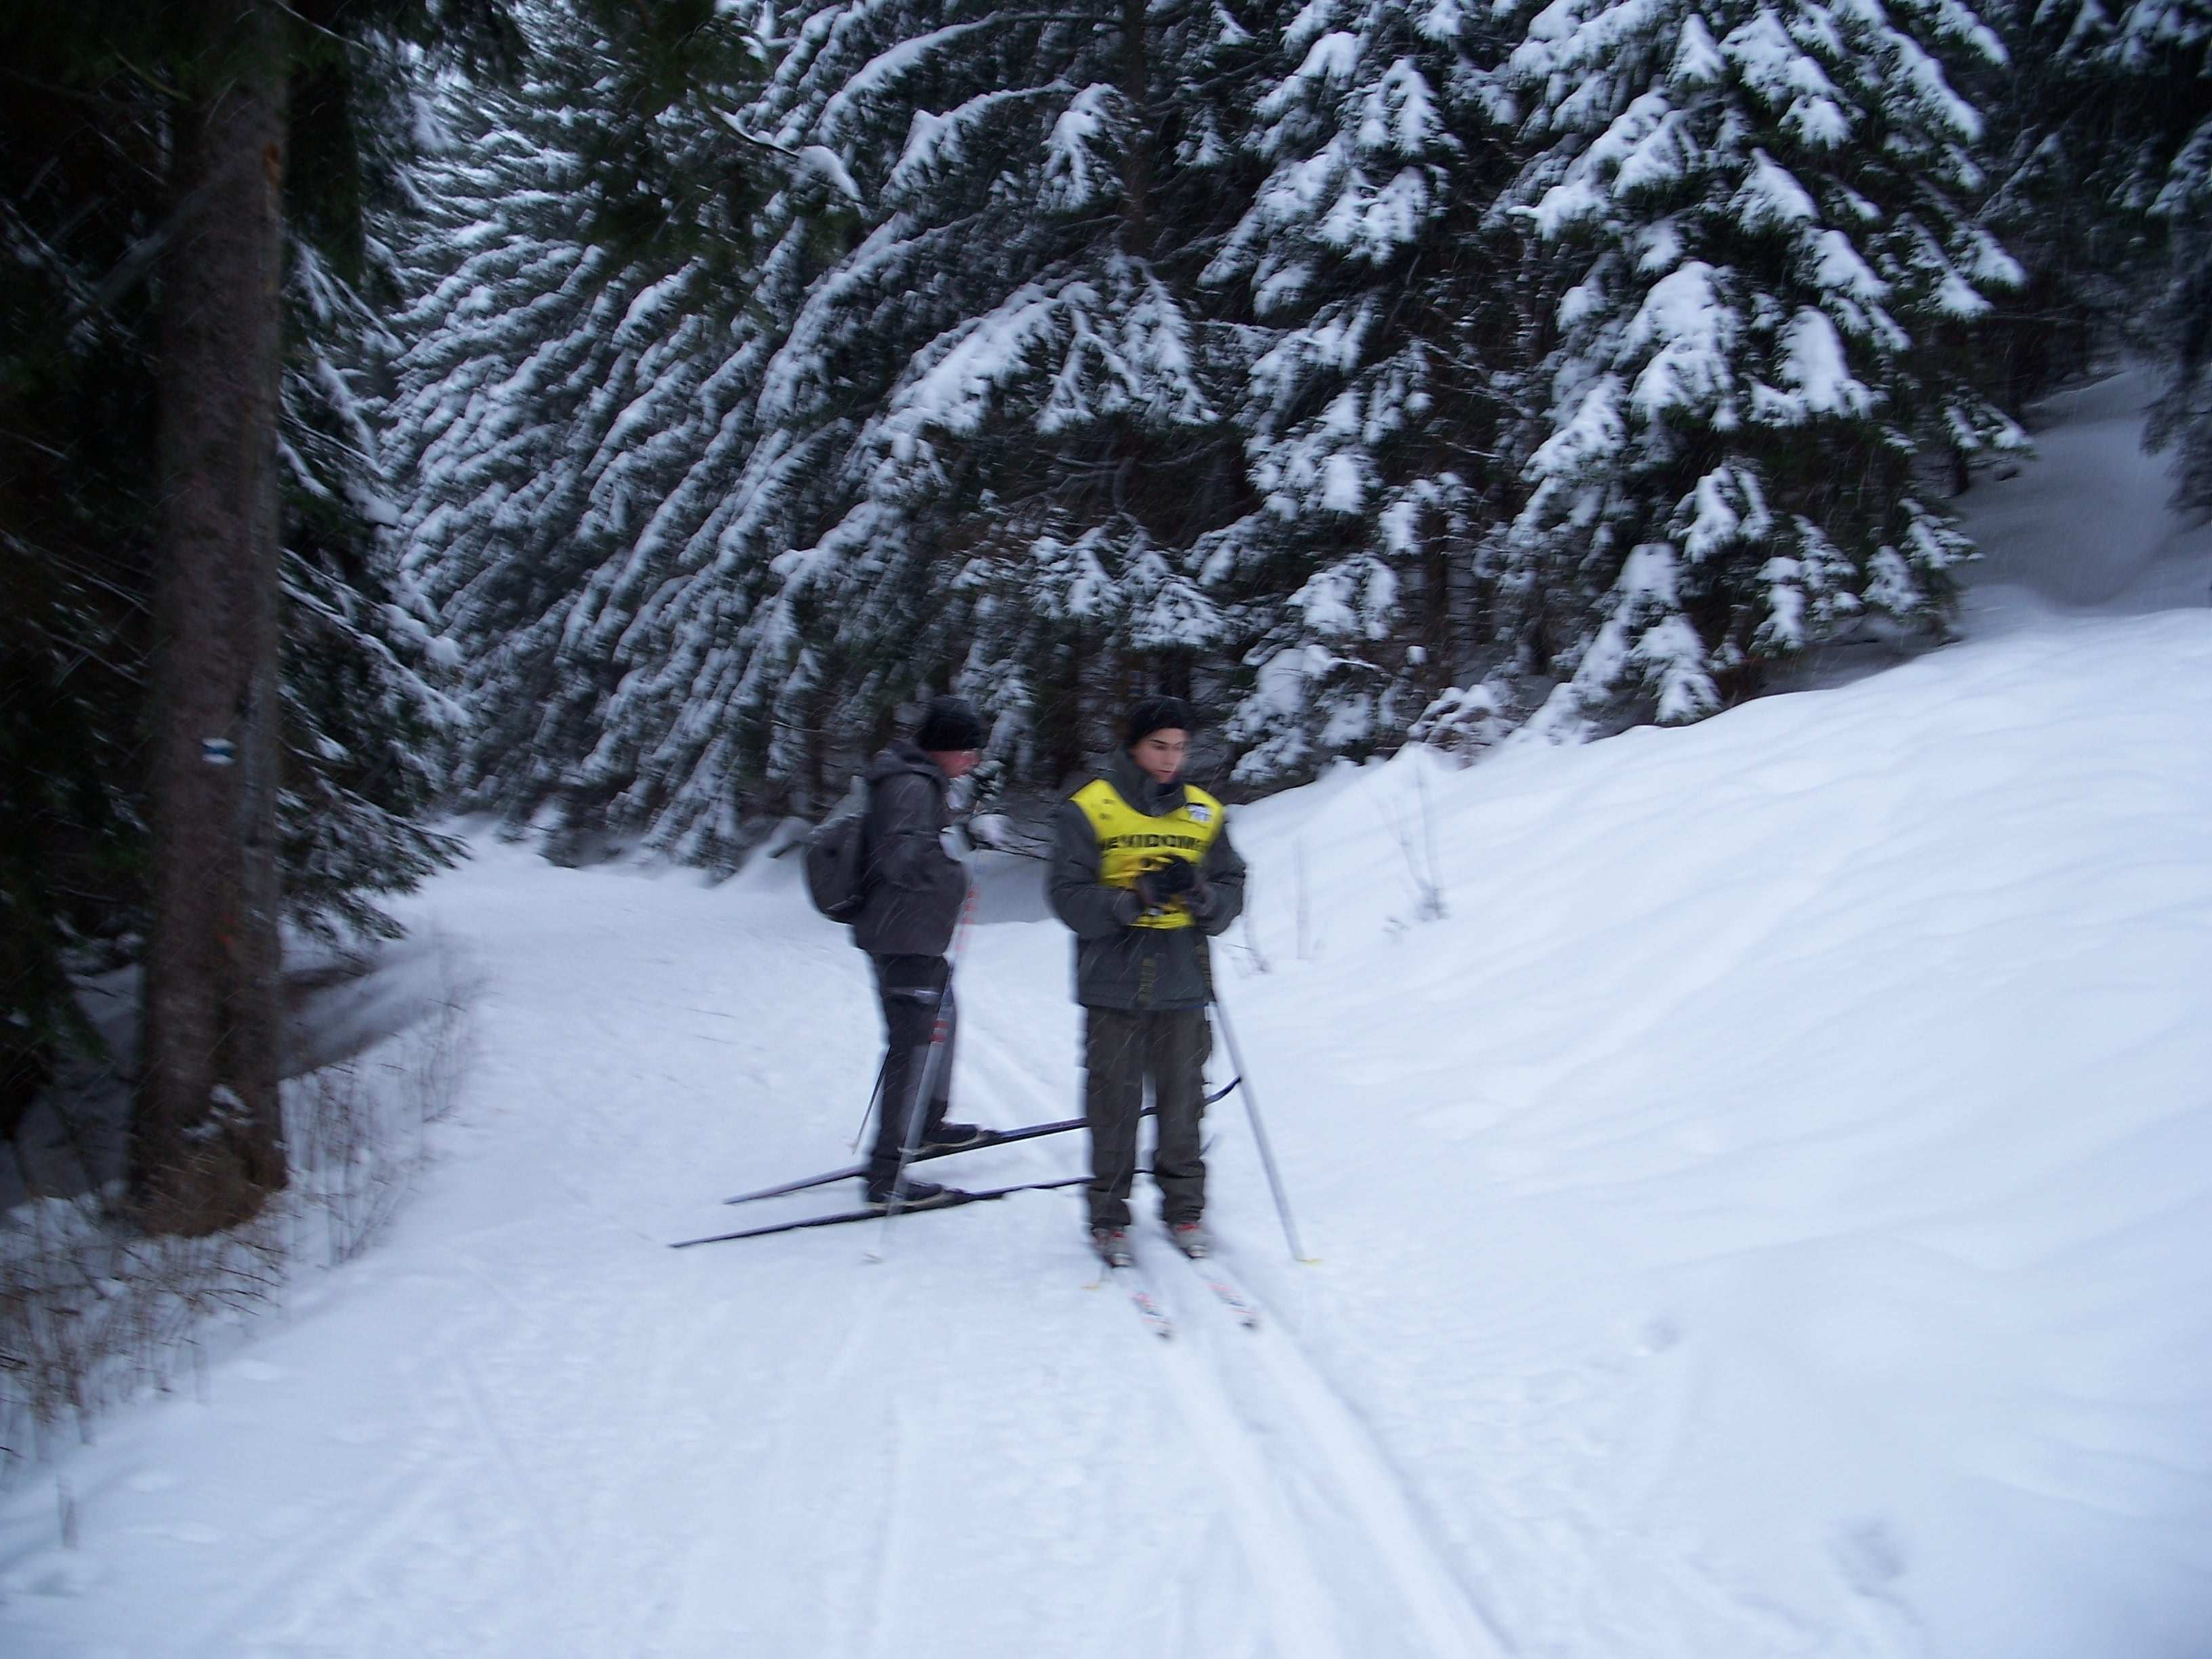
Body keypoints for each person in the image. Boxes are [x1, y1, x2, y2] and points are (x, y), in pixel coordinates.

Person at [1046, 695, 1246, 1263]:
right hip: (1113, 982)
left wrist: (1204, 894)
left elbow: (1233, 886)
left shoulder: (1205, 812)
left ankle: (1184, 1211)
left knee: (1184, 1102)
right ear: (1133, 746)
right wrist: (1133, 899)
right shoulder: (1091, 808)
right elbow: (1065, 895)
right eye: (1159, 746)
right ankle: (1109, 1218)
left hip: (1183, 981)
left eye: (1180, 748)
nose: (1170, 760)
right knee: (1114, 1103)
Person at [852, 695, 989, 1210]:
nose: (972, 760)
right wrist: (956, 863)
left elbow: (917, 841)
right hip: (901, 936)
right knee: (913, 1046)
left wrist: (961, 831)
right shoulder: (910, 785)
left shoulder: (918, 780)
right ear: (944, 748)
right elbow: (904, 857)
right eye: (968, 751)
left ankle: (927, 1125)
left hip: (911, 935)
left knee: (942, 1020)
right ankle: (886, 1175)